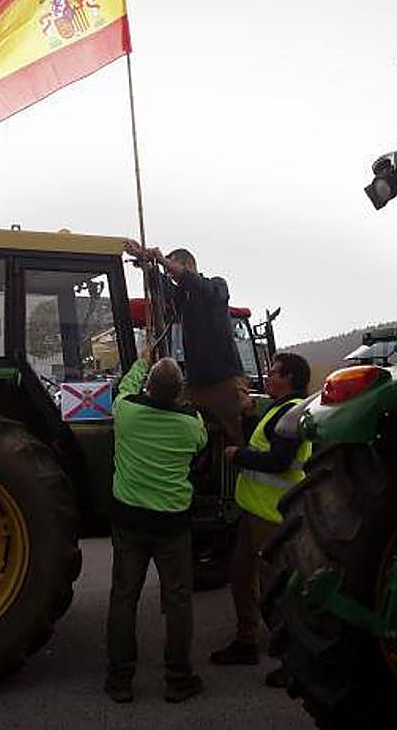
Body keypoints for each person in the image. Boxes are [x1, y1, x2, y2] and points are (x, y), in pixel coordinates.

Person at [105, 345, 208, 704]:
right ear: (179, 390)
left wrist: (141, 361)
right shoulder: (191, 424)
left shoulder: (126, 412)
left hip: (129, 522)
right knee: (178, 600)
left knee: (123, 598)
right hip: (172, 526)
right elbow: (201, 444)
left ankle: (120, 680)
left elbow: (123, 388)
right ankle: (178, 679)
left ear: (148, 386)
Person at [209, 351, 312, 688]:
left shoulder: (291, 414)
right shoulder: (278, 410)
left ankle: (293, 659)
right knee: (241, 575)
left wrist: (238, 455)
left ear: (290, 379)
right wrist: (247, 416)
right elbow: (265, 443)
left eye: (275, 372)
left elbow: (278, 461)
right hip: (254, 510)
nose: (268, 376)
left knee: (275, 589)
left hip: (272, 516)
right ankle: (247, 640)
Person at [122, 240, 249, 445]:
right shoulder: (182, 296)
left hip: (224, 381)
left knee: (234, 436)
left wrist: (161, 260)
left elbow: (196, 284)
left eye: (173, 270)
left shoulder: (217, 287)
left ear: (188, 265)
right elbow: (162, 285)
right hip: (195, 383)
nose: (172, 277)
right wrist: (144, 261)